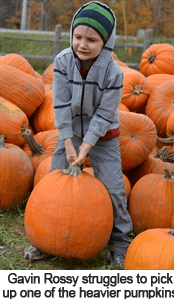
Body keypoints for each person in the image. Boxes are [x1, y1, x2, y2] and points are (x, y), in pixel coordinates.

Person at [24, 1, 133, 266]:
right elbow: (59, 104)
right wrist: (68, 141)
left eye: (91, 39)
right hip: (69, 133)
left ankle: (120, 240)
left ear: (106, 42)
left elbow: (106, 114)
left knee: (114, 188)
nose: (82, 44)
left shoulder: (113, 72)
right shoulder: (62, 61)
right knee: (55, 184)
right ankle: (46, 238)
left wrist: (87, 146)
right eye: (78, 37)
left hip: (104, 135)